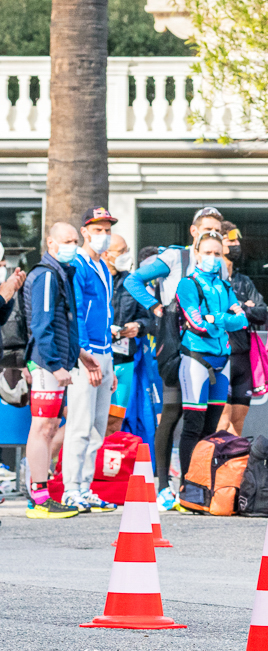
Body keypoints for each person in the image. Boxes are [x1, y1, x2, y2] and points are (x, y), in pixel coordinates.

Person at [124, 205, 225, 501]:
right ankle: (163, 485)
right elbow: (133, 280)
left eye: (218, 231)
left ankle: (195, 483)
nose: (212, 235)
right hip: (176, 346)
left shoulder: (219, 262)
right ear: (194, 231)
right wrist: (156, 307)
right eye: (207, 229)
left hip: (210, 348)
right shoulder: (175, 257)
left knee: (206, 418)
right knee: (172, 412)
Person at [24, 223, 95, 519]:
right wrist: (55, 365)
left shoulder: (60, 274)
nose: (73, 245)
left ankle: (40, 495)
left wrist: (79, 355)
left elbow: (62, 324)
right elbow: (42, 325)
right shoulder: (46, 276)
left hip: (54, 362)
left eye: (75, 241)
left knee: (50, 427)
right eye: (67, 241)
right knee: (42, 428)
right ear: (51, 243)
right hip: (46, 364)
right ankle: (39, 498)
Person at [57, 207, 119, 512]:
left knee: (97, 426)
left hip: (105, 352)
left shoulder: (104, 267)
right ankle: (70, 488)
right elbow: (77, 313)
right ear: (85, 231)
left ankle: (85, 486)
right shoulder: (79, 265)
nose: (104, 236)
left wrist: (110, 362)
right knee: (79, 424)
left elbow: (106, 315)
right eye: (98, 229)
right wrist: (85, 355)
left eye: (107, 230)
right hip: (87, 353)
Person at [174, 232, 247, 470]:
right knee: (193, 425)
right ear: (196, 254)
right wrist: (224, 319)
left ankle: (204, 481)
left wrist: (214, 317)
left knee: (212, 428)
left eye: (217, 253)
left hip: (222, 359)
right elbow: (197, 324)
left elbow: (243, 321)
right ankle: (187, 484)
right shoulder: (188, 284)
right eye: (207, 253)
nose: (213, 258)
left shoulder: (225, 286)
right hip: (196, 357)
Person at [217, 223, 268, 436]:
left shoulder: (243, 281)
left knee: (238, 423)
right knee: (222, 421)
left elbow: (261, 313)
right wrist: (241, 308)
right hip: (221, 357)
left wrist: (242, 312)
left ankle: (234, 467)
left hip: (243, 358)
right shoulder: (210, 281)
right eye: (231, 241)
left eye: (237, 241)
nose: (236, 245)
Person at [105, 233, 148, 438]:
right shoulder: (92, 280)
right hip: (98, 360)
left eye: (127, 250)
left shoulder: (132, 283)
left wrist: (139, 326)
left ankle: (107, 468)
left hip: (125, 360)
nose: (126, 255)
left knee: (116, 421)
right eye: (121, 251)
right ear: (106, 254)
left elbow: (149, 317)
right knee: (93, 419)